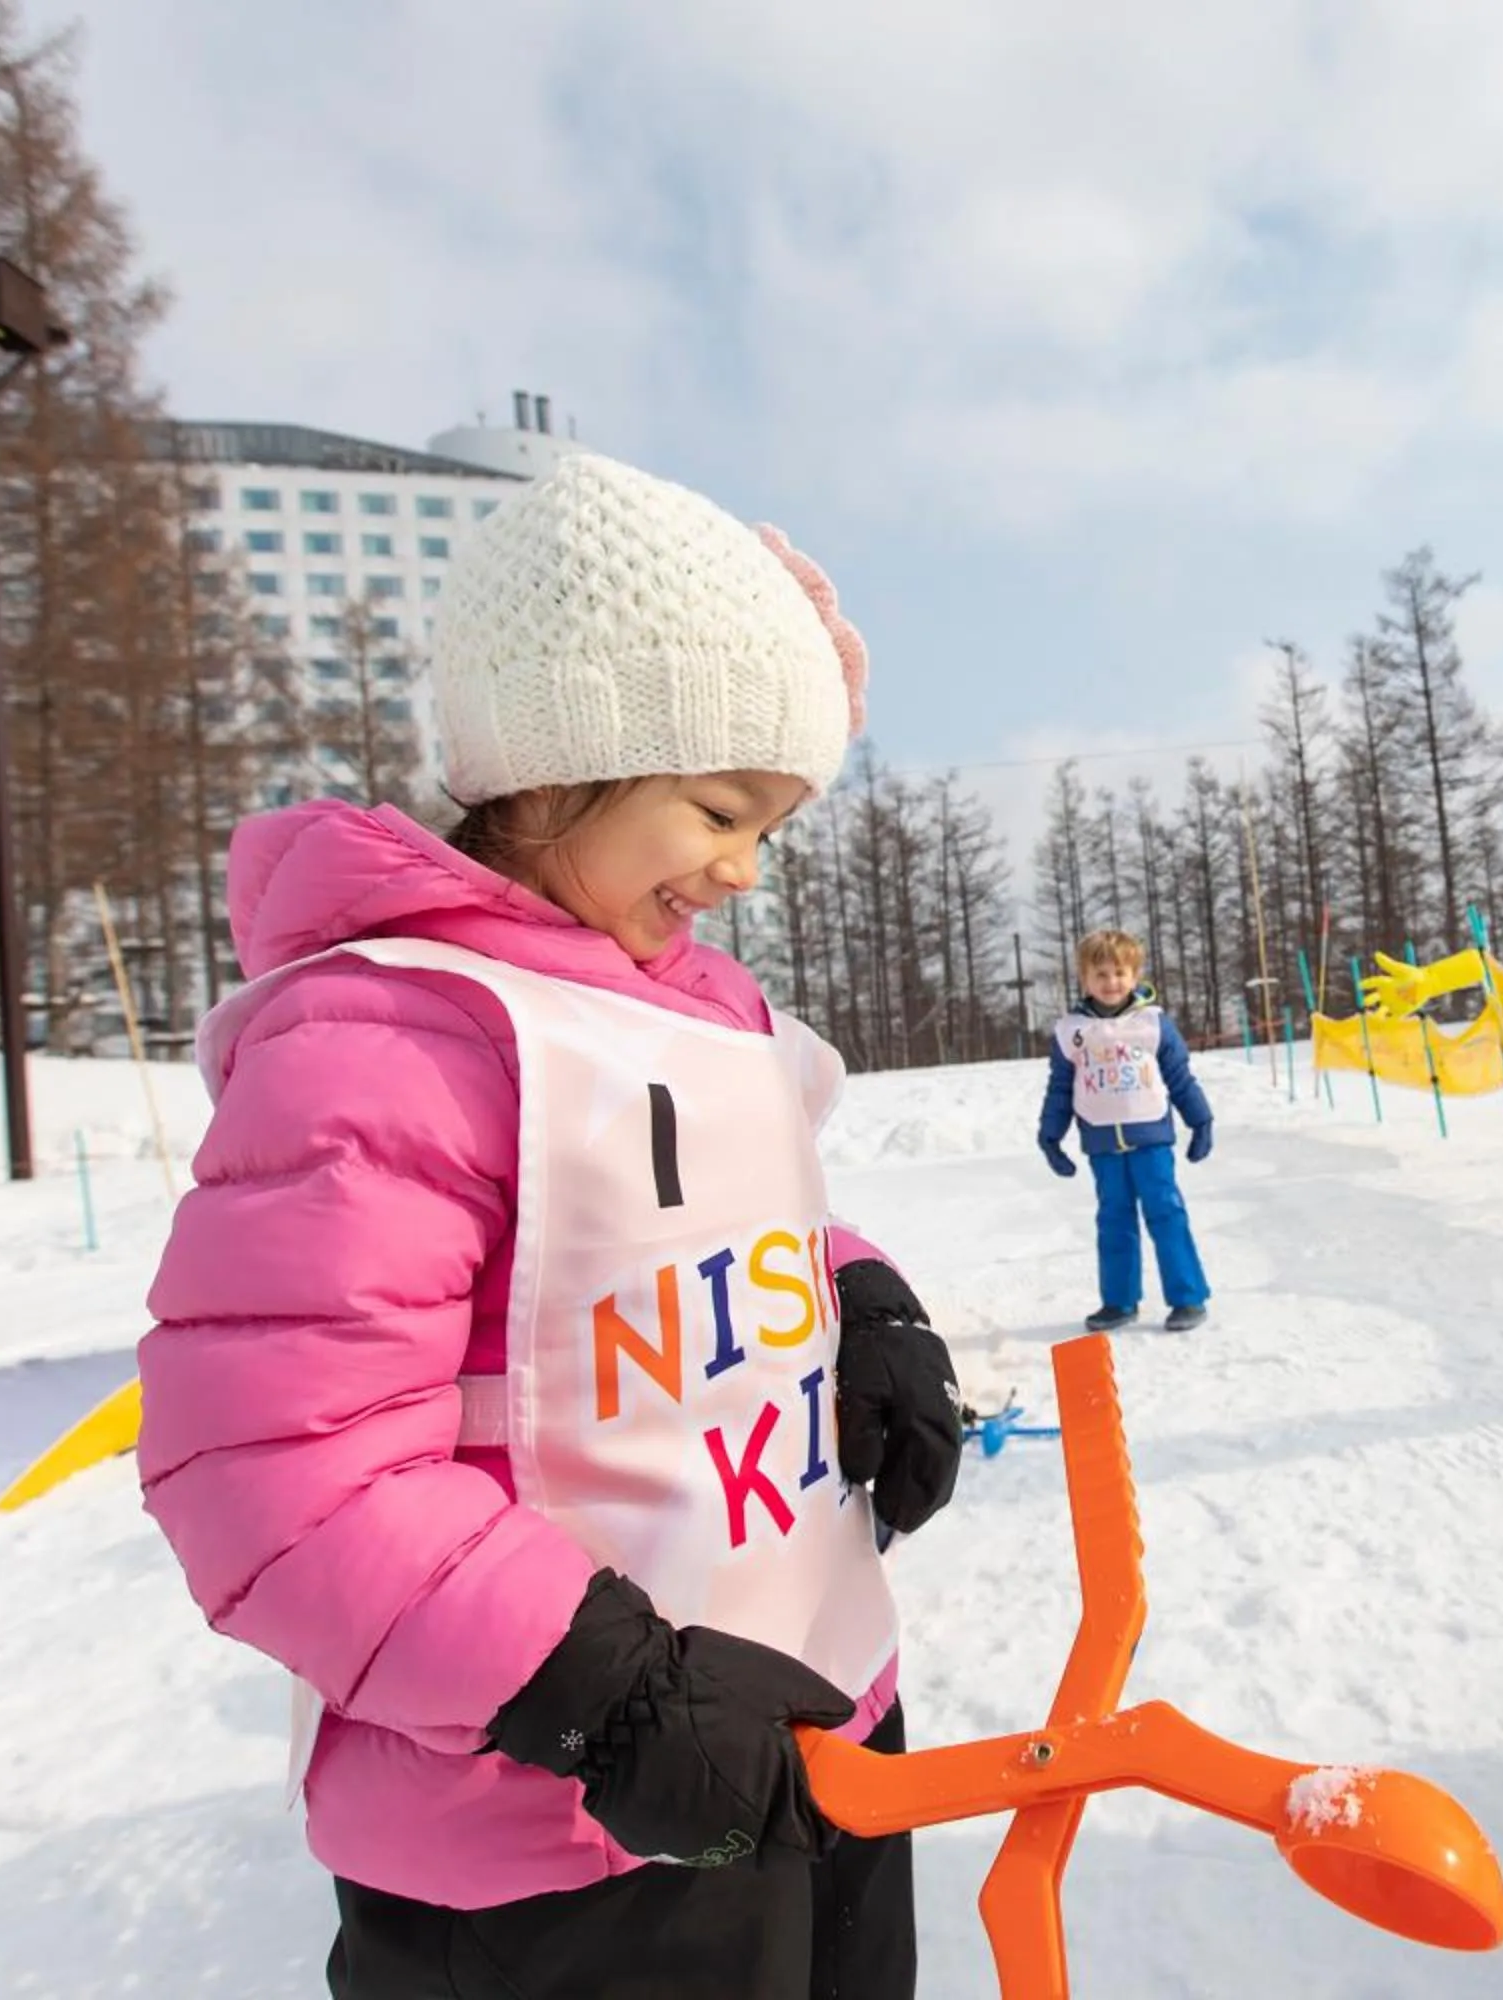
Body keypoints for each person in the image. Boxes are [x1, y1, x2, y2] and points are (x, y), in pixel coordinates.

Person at [139, 453, 965, 1999]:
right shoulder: (389, 1036)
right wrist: (607, 1694)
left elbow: (733, 1215)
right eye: (720, 810)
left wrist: (866, 1305)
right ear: (563, 761)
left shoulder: (698, 1009)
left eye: (773, 825)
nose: (744, 870)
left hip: (809, 1730)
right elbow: (274, 1474)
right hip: (563, 1832)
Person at [1037, 929, 1215, 1332]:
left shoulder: (1152, 1024)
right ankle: (1119, 1301)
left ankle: (1188, 1297)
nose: (1111, 982)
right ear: (1085, 978)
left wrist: (1200, 1119)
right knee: (1113, 1221)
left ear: (1134, 976)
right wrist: (1050, 1135)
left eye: (1120, 972)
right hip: (1101, 1141)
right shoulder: (1072, 1031)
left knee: (1166, 1213)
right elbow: (1060, 1088)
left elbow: (1180, 1077)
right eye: (1100, 974)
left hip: (1150, 1138)